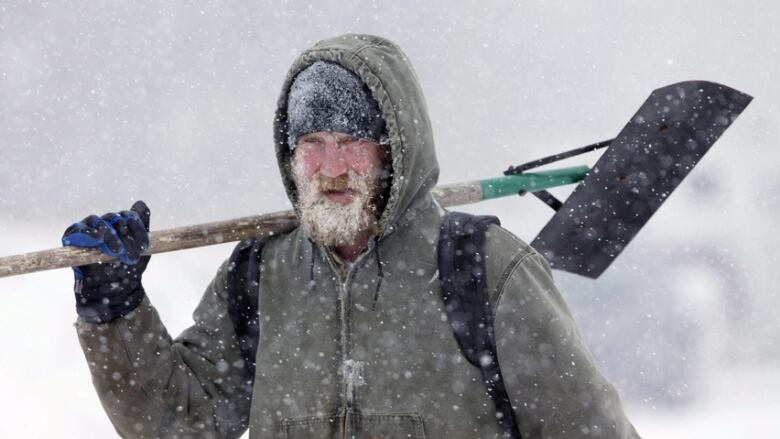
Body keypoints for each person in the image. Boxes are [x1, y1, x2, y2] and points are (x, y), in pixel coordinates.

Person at [64, 34, 640, 438]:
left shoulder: (483, 270)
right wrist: (113, 309)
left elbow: (588, 429)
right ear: (290, 156)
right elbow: (179, 425)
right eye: (312, 142)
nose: (332, 166)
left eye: (352, 140)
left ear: (395, 150)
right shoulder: (261, 276)